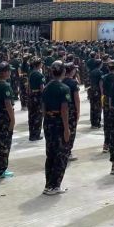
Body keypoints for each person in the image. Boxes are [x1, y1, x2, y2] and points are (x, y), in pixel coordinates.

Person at [41, 61, 71, 194]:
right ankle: (54, 185)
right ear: (63, 72)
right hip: (59, 123)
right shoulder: (64, 88)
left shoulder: (46, 87)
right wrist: (66, 128)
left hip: (48, 122)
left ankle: (49, 184)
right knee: (60, 155)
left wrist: (46, 120)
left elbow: (43, 107)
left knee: (50, 154)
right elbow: (64, 110)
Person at [63, 63, 81, 161]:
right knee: (71, 131)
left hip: (61, 109)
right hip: (71, 109)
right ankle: (68, 152)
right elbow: (76, 99)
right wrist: (78, 112)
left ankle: (63, 150)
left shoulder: (61, 81)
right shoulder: (73, 83)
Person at [27, 58, 46, 141]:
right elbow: (42, 88)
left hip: (32, 96)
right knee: (38, 116)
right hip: (38, 96)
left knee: (31, 115)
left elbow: (29, 87)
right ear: (39, 65)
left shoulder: (31, 74)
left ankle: (31, 134)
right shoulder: (40, 75)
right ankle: (36, 135)